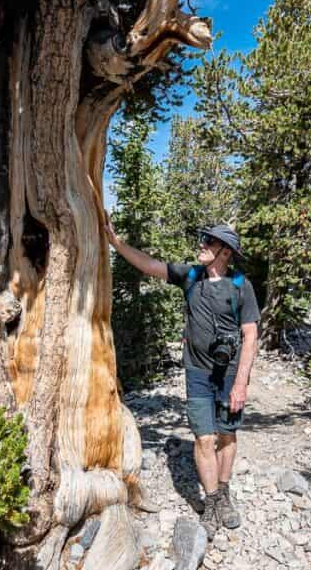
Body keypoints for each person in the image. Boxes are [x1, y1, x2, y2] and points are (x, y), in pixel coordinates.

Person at [105, 220, 260, 539]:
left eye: (209, 241)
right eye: (203, 238)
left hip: (230, 375)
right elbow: (150, 265)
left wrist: (242, 382)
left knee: (227, 436)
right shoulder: (190, 276)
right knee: (204, 437)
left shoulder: (241, 285)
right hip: (197, 373)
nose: (202, 244)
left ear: (225, 252)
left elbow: (250, 335)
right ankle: (213, 501)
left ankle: (224, 491)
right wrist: (116, 243)